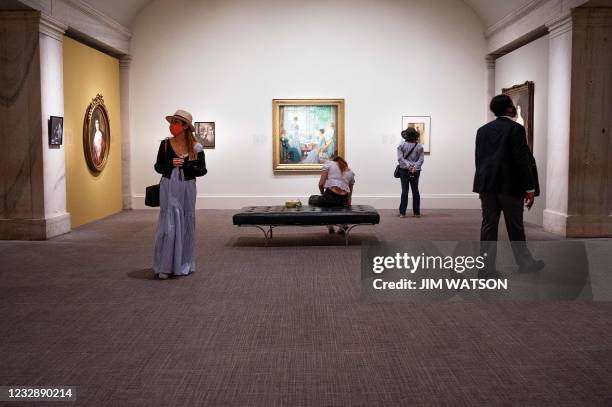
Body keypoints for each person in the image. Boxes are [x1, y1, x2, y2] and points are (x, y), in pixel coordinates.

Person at [473, 95, 544, 276]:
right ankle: (525, 263)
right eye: (511, 106)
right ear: (508, 109)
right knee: (515, 226)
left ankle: (486, 269)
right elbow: (522, 161)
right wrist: (530, 188)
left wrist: (483, 183)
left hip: (487, 186)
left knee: (488, 226)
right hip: (510, 187)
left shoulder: (482, 130)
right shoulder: (516, 129)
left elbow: (479, 160)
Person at [153, 109, 207, 279]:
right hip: (169, 186)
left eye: (176, 123)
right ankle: (165, 265)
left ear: (184, 126)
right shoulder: (165, 144)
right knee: (168, 226)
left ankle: (183, 264)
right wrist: (170, 164)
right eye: (171, 122)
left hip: (187, 187)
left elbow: (202, 170)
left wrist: (186, 166)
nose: (172, 126)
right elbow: (158, 167)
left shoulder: (196, 147)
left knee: (185, 225)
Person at [308, 156, 355, 234]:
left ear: (335, 161)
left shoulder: (329, 164)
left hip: (329, 198)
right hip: (343, 201)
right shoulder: (351, 173)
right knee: (334, 206)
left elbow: (321, 184)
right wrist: (348, 206)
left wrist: (322, 193)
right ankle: (343, 225)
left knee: (312, 198)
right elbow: (349, 195)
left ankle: (329, 225)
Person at [397, 127, 424, 217]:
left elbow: (400, 159)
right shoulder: (419, 146)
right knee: (415, 190)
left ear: (406, 136)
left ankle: (402, 213)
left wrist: (408, 166)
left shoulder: (401, 145)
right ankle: (416, 213)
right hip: (416, 171)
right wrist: (414, 167)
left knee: (405, 190)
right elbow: (421, 160)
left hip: (404, 170)